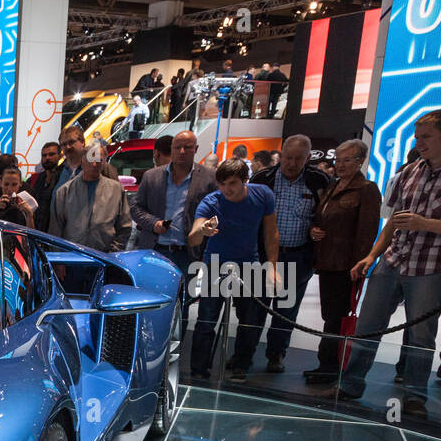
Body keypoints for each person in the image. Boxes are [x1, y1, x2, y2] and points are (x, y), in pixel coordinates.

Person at [334, 111, 441, 420]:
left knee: (421, 337)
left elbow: (419, 222)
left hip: (430, 268)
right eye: (417, 136)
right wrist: (372, 256)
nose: (418, 142)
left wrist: (427, 224)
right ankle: (351, 384)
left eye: (426, 137)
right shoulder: (410, 172)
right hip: (392, 261)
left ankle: (415, 397)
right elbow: (392, 222)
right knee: (368, 327)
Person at [186, 158, 279, 381]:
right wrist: (203, 232)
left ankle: (241, 364)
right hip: (216, 263)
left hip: (249, 263)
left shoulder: (263, 195)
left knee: (250, 319)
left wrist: (273, 266)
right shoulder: (211, 201)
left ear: (244, 180)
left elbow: (270, 232)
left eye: (232, 183)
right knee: (207, 318)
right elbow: (192, 237)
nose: (226, 189)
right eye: (222, 183)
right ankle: (199, 369)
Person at [243, 134, 331, 373]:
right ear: (280, 156)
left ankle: (276, 355)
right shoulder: (263, 178)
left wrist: (317, 229)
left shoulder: (319, 181)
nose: (292, 163)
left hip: (297, 257)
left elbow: (326, 215)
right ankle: (243, 357)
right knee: (254, 310)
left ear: (308, 158)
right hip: (262, 257)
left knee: (285, 312)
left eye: (298, 159)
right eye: (288, 158)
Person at [305, 139, 382, 385]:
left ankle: (331, 365)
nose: (340, 164)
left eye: (347, 160)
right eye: (338, 160)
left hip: (346, 266)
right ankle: (326, 364)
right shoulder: (333, 186)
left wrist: (360, 265)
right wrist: (314, 231)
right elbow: (322, 219)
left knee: (337, 317)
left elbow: (367, 232)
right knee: (331, 316)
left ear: (360, 161)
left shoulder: (366, 189)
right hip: (327, 261)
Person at [130, 130, 217, 336]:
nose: (182, 151)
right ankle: (148, 346)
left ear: (196, 149)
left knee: (182, 305)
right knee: (150, 301)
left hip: (188, 253)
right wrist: (153, 223)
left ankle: (175, 350)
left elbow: (214, 212)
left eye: (187, 147)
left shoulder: (208, 178)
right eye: (177, 146)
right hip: (155, 250)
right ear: (171, 149)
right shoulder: (152, 176)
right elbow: (136, 208)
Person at [48, 153, 131, 252]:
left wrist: (114, 252)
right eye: (90, 160)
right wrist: (59, 258)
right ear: (82, 162)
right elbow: (55, 229)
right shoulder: (64, 191)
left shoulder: (116, 189)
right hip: (71, 257)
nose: (94, 164)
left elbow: (125, 226)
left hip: (106, 257)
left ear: (104, 162)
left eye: (99, 160)